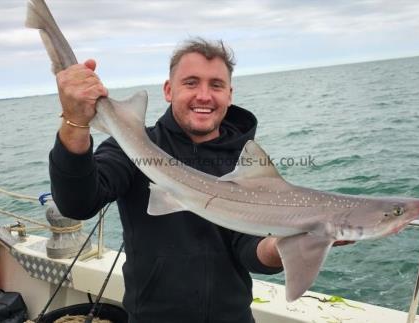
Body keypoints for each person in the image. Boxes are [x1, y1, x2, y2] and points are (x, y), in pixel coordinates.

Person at [49, 38, 351, 322]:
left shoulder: (247, 164)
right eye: (191, 83)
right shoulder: (131, 148)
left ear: (230, 95)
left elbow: (249, 249)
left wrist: (287, 245)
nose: (204, 95)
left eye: (216, 85)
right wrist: (75, 123)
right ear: (169, 90)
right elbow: (78, 203)